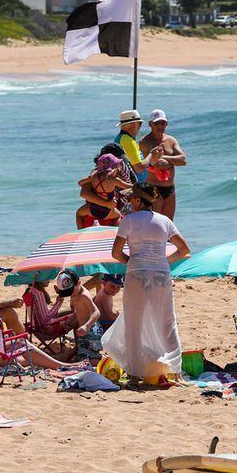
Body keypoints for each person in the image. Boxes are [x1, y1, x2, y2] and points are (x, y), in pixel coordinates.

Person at [102, 185, 191, 385]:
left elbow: (116, 252)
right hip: (161, 275)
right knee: (167, 322)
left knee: (134, 323)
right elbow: (184, 249)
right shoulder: (165, 220)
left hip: (137, 275)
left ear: (139, 201)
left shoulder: (129, 221)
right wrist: (163, 262)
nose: (128, 202)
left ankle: (134, 376)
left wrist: (132, 261)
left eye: (131, 199)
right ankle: (176, 372)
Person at [139, 109, 187, 220]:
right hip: (154, 189)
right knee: (154, 223)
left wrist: (164, 157)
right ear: (150, 124)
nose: (160, 126)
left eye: (163, 123)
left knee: (169, 224)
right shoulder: (145, 142)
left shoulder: (171, 140)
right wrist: (173, 161)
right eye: (157, 123)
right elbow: (157, 164)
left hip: (170, 189)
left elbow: (183, 160)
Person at [53, 269, 101, 360]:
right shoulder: (74, 293)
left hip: (91, 330)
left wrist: (87, 325)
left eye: (72, 291)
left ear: (79, 282)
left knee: (92, 356)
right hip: (82, 330)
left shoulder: (84, 296)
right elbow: (78, 310)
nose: (71, 294)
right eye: (69, 293)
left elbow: (96, 312)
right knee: (82, 356)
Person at [76, 153, 127, 228]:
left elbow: (80, 183)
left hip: (97, 212)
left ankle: (79, 232)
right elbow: (84, 193)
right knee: (119, 216)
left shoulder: (96, 177)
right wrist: (106, 204)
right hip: (98, 216)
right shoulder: (96, 175)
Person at [115, 110, 163, 187]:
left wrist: (151, 161)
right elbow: (139, 168)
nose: (140, 127)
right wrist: (151, 154)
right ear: (134, 125)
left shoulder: (120, 138)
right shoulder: (129, 142)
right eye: (140, 124)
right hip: (134, 187)